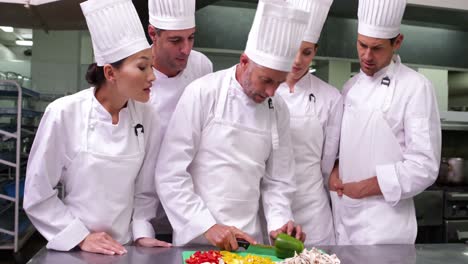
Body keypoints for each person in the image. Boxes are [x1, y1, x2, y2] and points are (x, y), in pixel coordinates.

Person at [154, 0, 309, 250]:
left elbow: (278, 180)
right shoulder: (203, 93)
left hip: (249, 243)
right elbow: (170, 174)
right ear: (245, 61)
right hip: (198, 240)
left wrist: (279, 222)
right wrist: (206, 226)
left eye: (279, 83)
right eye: (266, 80)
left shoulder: (277, 108)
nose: (271, 91)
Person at [23, 0, 170, 254]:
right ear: (111, 73)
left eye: (151, 65)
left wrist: (142, 233)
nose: (152, 76)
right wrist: (79, 237)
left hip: (124, 249)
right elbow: (37, 194)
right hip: (76, 248)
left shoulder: (148, 117)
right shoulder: (64, 113)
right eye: (142, 66)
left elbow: (144, 190)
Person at [329, 0, 441, 245]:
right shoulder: (350, 87)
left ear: (397, 42)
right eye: (362, 45)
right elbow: (347, 146)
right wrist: (337, 169)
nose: (367, 56)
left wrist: (365, 188)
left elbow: (424, 166)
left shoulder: (415, 87)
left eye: (377, 48)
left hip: (387, 228)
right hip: (345, 221)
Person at [147, 0, 213, 241]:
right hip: (143, 205)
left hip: (189, 198)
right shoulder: (136, 73)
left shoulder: (202, 65)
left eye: (191, 38)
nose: (186, 49)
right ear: (153, 33)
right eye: (176, 41)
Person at [276, 0, 340, 246]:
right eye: (293, 49)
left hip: (314, 212)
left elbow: (327, 162)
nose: (298, 60)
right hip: (271, 212)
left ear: (315, 51)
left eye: (307, 52)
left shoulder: (331, 97)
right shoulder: (264, 90)